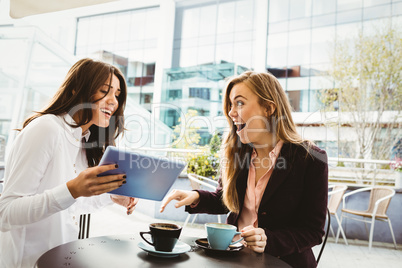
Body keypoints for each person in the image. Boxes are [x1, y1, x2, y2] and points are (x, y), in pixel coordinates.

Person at [160, 71, 328, 268]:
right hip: (236, 259)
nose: (231, 112)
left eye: (239, 103)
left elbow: (312, 231)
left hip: (284, 263)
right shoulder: (237, 153)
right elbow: (226, 200)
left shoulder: (310, 159)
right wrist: (196, 197)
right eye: (230, 105)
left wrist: (269, 240)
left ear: (268, 108)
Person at [0, 58, 138, 268]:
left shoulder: (83, 140)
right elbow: (6, 212)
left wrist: (111, 196)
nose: (113, 101)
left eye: (117, 95)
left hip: (59, 260)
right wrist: (72, 189)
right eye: (104, 91)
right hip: (27, 262)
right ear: (76, 90)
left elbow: (68, 205)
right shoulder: (47, 128)